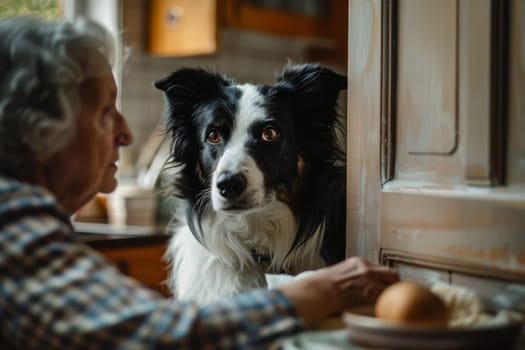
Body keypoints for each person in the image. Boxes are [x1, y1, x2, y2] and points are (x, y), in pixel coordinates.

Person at [0, 16, 399, 350]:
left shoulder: (30, 222)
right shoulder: (13, 227)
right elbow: (159, 338)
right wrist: (317, 293)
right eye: (107, 110)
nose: (125, 132)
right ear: (43, 130)